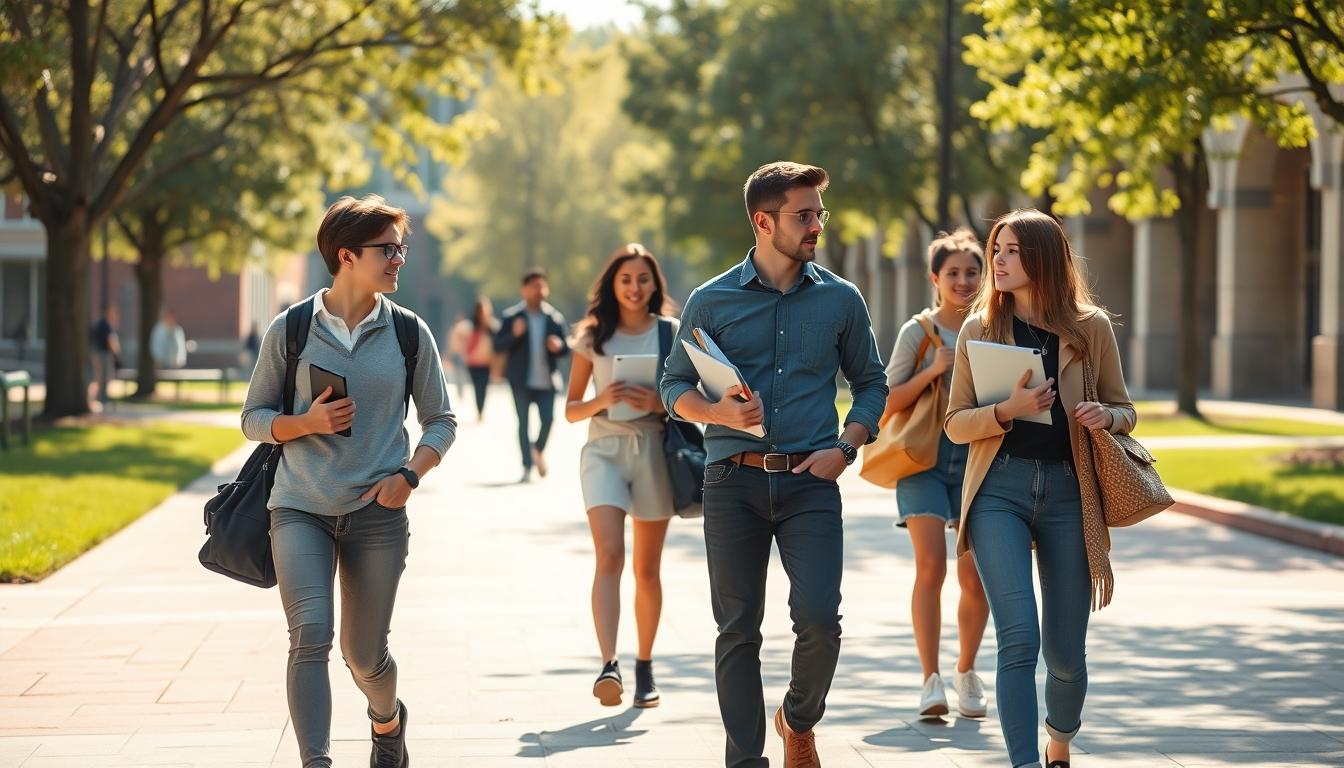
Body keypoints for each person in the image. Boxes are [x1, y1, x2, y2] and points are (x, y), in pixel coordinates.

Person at [659, 161, 888, 768]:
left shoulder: (841, 298)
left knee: (819, 620)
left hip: (811, 481)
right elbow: (672, 385)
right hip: (731, 481)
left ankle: (798, 717)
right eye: (803, 215)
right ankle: (745, 760)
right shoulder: (712, 300)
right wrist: (719, 413)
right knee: (737, 630)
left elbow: (871, 383)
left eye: (819, 213)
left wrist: (845, 448)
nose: (817, 225)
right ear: (763, 222)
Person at [241, 194, 457, 768]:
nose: (399, 260)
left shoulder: (410, 333)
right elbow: (252, 418)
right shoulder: (290, 330)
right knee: (309, 637)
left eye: (400, 249)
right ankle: (317, 762)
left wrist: (409, 476)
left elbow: (442, 421)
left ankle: (387, 723)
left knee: (365, 656)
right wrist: (302, 423)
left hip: (377, 515)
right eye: (388, 250)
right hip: (298, 509)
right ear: (346, 255)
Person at [945, 208, 1136, 768]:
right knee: (1019, 640)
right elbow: (956, 422)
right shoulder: (978, 329)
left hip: (1068, 493)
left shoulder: (1090, 327)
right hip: (996, 492)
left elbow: (1127, 409)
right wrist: (1006, 410)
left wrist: (1105, 413)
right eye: (995, 249)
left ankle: (1059, 742)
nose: (996, 261)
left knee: (1066, 656)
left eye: (1010, 251)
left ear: (1043, 258)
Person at [565, 243, 678, 709]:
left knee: (647, 569)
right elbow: (571, 409)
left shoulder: (671, 333)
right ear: (613, 284)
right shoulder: (593, 337)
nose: (634, 287)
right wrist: (602, 397)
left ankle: (645, 665)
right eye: (626, 279)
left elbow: (691, 396)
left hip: (653, 448)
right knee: (609, 555)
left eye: (643, 279)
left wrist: (659, 403)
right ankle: (608, 663)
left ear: (655, 285)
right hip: (603, 451)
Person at [882, 229, 990, 719]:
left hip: (977, 464)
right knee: (932, 567)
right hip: (922, 462)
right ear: (935, 278)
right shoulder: (918, 332)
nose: (964, 281)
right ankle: (931, 680)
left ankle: (966, 669)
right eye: (954, 273)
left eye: (972, 272)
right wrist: (932, 371)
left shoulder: (994, 328)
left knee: (976, 578)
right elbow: (885, 402)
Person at [495, 268, 568, 481]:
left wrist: (559, 346)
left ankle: (537, 449)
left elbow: (567, 348)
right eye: (535, 286)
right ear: (524, 289)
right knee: (523, 424)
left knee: (549, 420)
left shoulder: (554, 317)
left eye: (542, 286)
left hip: (547, 380)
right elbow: (498, 345)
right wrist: (514, 334)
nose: (540, 291)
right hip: (520, 381)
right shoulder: (512, 317)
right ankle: (527, 466)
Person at [451, 297, 498, 421]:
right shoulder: (470, 326)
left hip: (487, 363)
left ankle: (481, 409)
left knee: (483, 387)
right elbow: (458, 336)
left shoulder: (492, 326)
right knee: (478, 387)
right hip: (473, 363)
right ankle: (479, 411)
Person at [90, 305, 121, 403]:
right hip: (103, 354)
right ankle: (102, 398)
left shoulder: (99, 323)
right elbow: (110, 340)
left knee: (99, 377)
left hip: (97, 353)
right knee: (103, 377)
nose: (114, 315)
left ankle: (99, 397)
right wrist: (116, 354)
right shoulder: (105, 325)